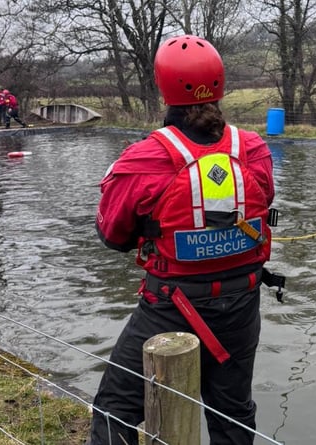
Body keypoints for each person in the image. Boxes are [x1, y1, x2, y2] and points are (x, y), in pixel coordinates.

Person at [87, 35, 276, 445]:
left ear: (163, 87)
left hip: (170, 306)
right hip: (243, 304)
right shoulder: (255, 149)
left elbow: (112, 236)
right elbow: (261, 206)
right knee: (234, 413)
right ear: (220, 85)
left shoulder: (142, 159)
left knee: (115, 407)